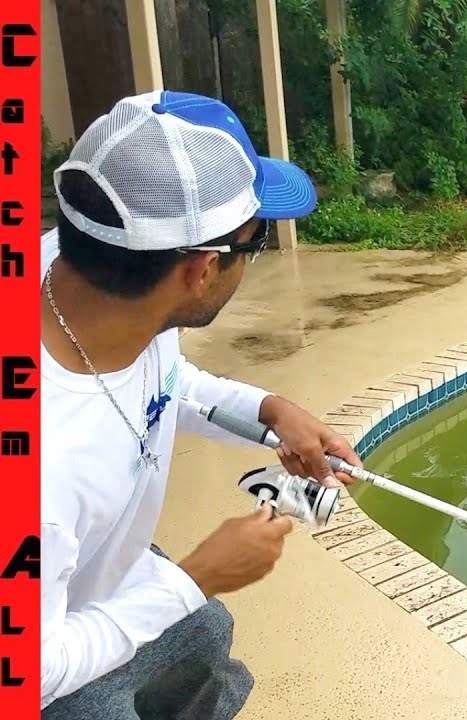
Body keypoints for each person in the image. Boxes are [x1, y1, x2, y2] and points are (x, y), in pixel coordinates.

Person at [39, 90, 363, 718]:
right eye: (256, 241)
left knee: (205, 636)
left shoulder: (81, 267)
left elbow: (163, 381)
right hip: (47, 655)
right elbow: (32, 673)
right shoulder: (39, 472)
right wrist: (193, 577)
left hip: (92, 572)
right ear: (203, 271)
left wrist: (269, 411)